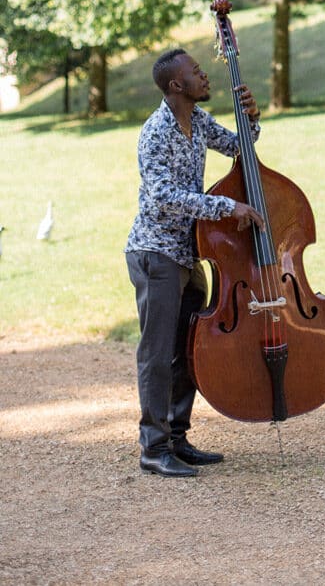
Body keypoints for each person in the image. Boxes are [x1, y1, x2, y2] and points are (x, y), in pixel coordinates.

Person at [125, 48, 265, 477]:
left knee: (187, 349)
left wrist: (251, 119)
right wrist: (228, 208)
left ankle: (177, 439)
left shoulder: (197, 121)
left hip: (190, 252)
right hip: (157, 253)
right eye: (197, 73)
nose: (205, 77)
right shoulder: (155, 133)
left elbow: (241, 147)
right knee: (157, 352)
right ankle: (153, 447)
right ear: (176, 86)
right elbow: (162, 199)